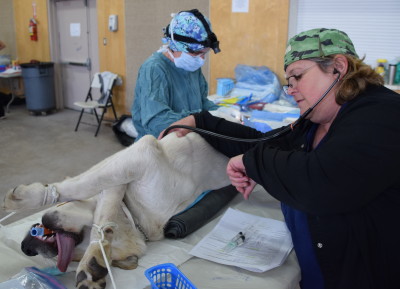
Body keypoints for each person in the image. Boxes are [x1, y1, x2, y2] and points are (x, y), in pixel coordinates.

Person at [160, 28, 400, 289]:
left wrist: (253, 163)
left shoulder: (384, 113)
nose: (291, 90)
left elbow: (321, 182)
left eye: (297, 77)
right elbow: (259, 142)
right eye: (289, 82)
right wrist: (200, 121)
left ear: (338, 68)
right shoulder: (315, 123)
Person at [131, 9, 220, 140]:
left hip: (186, 140)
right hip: (157, 145)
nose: (201, 59)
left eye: (204, 54)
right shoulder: (154, 69)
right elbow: (156, 121)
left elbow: (202, 103)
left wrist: (222, 114)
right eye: (196, 53)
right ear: (176, 45)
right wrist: (198, 120)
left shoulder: (191, 66)